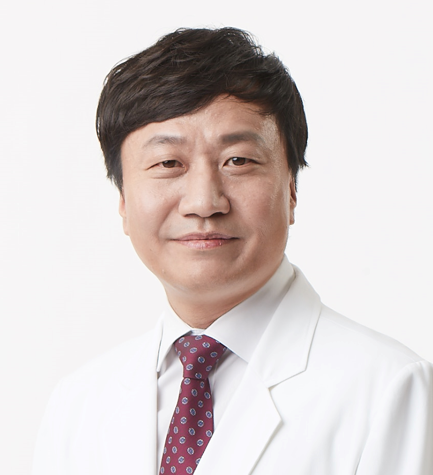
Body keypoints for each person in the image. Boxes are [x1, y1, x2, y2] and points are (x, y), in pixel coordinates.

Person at [32, 27, 433, 475]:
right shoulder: (77, 406)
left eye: (238, 161)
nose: (204, 202)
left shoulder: (389, 389)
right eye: (168, 163)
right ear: (124, 200)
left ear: (292, 189)